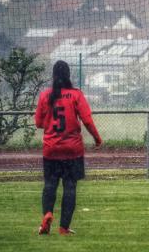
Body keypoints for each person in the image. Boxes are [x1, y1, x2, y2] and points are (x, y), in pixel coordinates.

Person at [35, 60, 103, 235]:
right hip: (72, 150)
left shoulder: (45, 96)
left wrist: (50, 123)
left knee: (50, 184)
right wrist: (97, 138)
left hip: (51, 149)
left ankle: (47, 215)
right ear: (68, 75)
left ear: (53, 75)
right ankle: (64, 228)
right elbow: (87, 120)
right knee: (70, 187)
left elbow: (38, 123)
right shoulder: (76, 95)